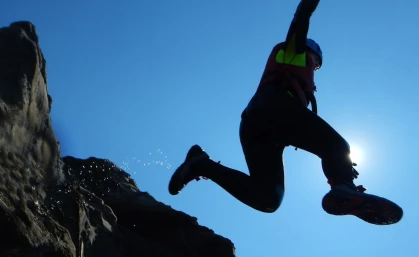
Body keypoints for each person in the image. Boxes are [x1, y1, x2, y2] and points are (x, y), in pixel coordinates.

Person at [168, 0, 402, 225]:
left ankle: (201, 165)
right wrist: (308, 7)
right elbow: (300, 20)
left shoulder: (293, 65)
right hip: (274, 108)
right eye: (317, 63)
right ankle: (344, 188)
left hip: (257, 125)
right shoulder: (295, 53)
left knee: (268, 199)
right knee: (338, 147)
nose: (314, 67)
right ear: (312, 53)